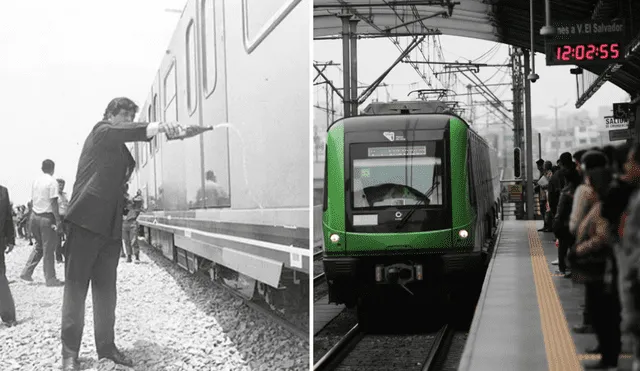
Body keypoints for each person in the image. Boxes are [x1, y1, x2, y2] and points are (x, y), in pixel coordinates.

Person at [60, 97, 186, 371]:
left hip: (109, 228)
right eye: (125, 115)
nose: (129, 120)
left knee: (107, 293)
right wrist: (161, 126)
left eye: (132, 115)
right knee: (76, 290)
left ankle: (107, 347)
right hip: (84, 223)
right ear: (110, 114)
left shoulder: (122, 154)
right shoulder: (101, 130)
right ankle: (69, 353)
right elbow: (124, 132)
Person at [20, 159, 64, 286]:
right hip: (46, 217)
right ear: (53, 168)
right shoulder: (52, 182)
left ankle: (26, 272)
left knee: (39, 246)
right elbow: (53, 202)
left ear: (42, 168)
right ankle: (50, 278)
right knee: (49, 248)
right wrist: (58, 220)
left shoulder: (36, 181)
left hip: (34, 216)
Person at [0, 185, 17, 327]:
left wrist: (11, 239)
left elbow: (7, 218)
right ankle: (9, 317)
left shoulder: (3, 192)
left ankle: (9, 316)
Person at [56, 178, 70, 263]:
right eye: (59, 185)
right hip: (58, 217)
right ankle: (58, 257)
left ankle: (64, 251)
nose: (61, 187)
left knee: (69, 237)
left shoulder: (65, 195)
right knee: (58, 239)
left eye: (62, 185)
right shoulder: (54, 196)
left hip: (66, 218)